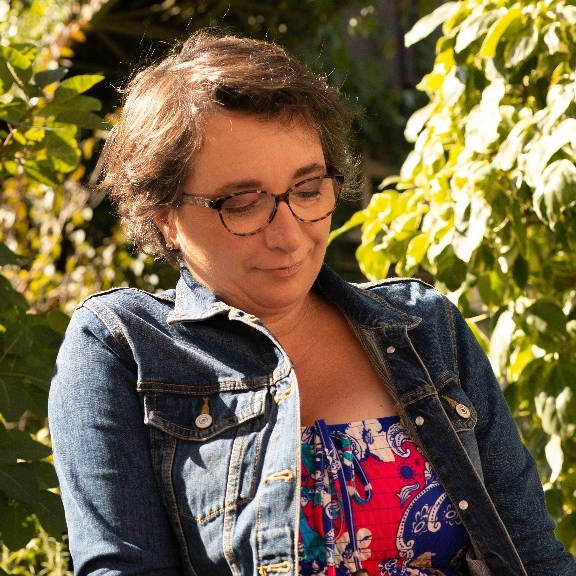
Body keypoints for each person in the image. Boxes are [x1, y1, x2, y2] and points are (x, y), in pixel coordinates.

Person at [48, 29, 576, 576]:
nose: (290, 236)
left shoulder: (423, 327)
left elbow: (533, 554)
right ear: (166, 217)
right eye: (242, 203)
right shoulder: (123, 347)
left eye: (307, 190)